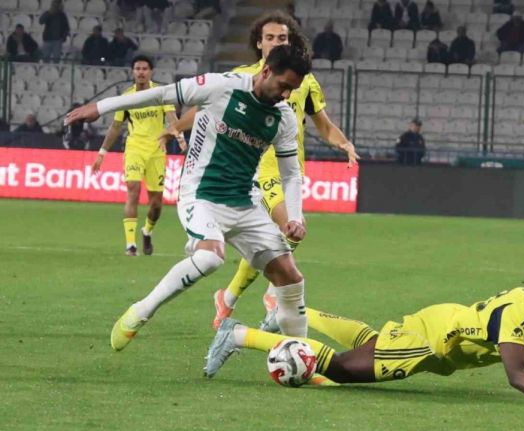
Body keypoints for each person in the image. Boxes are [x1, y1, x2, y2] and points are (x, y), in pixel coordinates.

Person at [65, 44, 313, 355]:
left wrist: (295, 217)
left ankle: (302, 357)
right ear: (266, 71)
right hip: (200, 194)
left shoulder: (284, 117)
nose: (286, 95)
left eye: (292, 90)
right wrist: (101, 107)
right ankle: (141, 310)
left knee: (291, 278)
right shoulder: (221, 87)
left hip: (245, 201)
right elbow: (162, 94)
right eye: (284, 85)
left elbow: (291, 174)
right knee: (211, 257)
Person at [163, 11, 359, 337]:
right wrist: (176, 128)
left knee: (287, 237)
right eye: (270, 38)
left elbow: (323, 124)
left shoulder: (304, 81)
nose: (275, 42)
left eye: (282, 38)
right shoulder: (243, 77)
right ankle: (272, 295)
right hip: (257, 169)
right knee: (289, 228)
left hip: (290, 167)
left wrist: (344, 142)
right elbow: (203, 106)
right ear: (259, 42)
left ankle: (228, 297)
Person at [204, 271, 524, 410]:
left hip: (446, 340)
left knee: (375, 341)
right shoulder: (518, 313)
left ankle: (292, 312)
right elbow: (517, 375)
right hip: (431, 340)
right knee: (341, 371)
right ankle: (239, 334)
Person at [90, 55, 180, 257]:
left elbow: (172, 118)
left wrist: (180, 137)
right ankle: (130, 245)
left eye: (144, 69)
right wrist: (102, 154)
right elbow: (116, 126)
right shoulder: (127, 97)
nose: (141, 72)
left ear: (150, 72)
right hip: (134, 149)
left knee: (156, 205)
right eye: (137, 68)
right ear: (133, 72)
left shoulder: (161, 94)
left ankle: (147, 231)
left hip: (157, 152)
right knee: (133, 190)